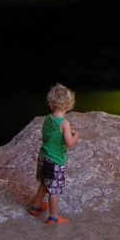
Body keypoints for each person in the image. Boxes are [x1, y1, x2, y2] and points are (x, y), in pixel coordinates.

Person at [27, 82, 80, 224]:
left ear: (51, 104)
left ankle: (35, 206)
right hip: (55, 161)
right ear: (68, 105)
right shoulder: (64, 124)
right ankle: (53, 217)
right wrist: (75, 135)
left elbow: (49, 135)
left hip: (43, 157)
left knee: (45, 183)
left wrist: (66, 130)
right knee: (54, 190)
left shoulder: (48, 118)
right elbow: (69, 143)